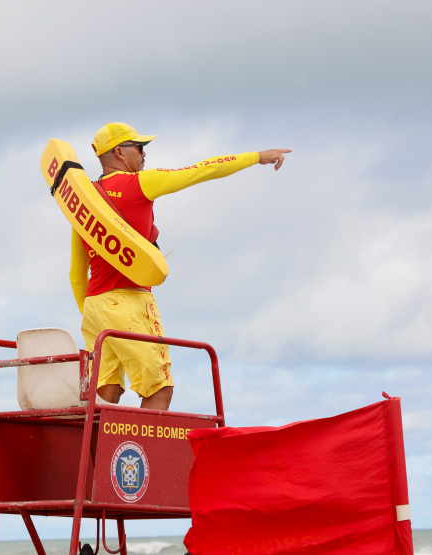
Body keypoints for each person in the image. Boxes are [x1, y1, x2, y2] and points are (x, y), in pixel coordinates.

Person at [70, 122, 290, 411]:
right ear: (120, 153)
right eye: (140, 147)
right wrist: (257, 156)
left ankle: (91, 444)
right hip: (129, 302)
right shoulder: (140, 183)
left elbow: (76, 274)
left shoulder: (85, 202)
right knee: (159, 389)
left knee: (105, 393)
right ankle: (142, 444)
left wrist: (94, 315)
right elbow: (201, 170)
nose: (144, 154)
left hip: (94, 308)